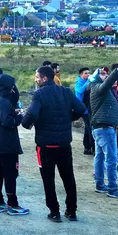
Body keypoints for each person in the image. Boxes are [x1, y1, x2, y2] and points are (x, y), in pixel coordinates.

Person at [21, 65, 86, 222]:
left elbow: (32, 114)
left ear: (44, 78)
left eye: (37, 77)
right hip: (64, 144)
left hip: (45, 145)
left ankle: (54, 211)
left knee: (48, 180)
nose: (35, 80)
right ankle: (71, 211)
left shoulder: (39, 94)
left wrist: (26, 123)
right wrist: (68, 119)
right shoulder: (65, 91)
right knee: (68, 178)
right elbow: (81, 108)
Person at [0, 74, 29, 216]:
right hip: (7, 144)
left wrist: (11, 113)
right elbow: (7, 122)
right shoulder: (3, 101)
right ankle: (13, 204)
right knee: (10, 174)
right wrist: (20, 116)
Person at [88, 64, 118, 199]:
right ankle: (113, 188)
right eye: (102, 74)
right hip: (105, 128)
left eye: (106, 74)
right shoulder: (97, 87)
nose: (105, 76)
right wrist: (117, 71)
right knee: (111, 158)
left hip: (102, 127)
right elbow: (106, 84)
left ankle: (100, 184)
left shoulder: (101, 89)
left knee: (100, 157)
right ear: (95, 77)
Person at [74, 67, 93, 155]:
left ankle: (87, 147)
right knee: (90, 127)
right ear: (81, 74)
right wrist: (88, 81)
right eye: (85, 73)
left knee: (87, 128)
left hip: (87, 108)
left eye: (88, 73)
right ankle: (91, 147)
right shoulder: (78, 83)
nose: (87, 75)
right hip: (82, 109)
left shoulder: (86, 82)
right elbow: (80, 90)